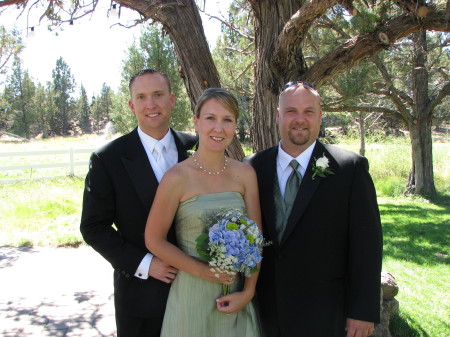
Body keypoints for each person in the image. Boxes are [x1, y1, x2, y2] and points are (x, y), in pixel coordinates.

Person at [244, 81, 383, 337]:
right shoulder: (253, 166)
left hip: (326, 310)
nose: (300, 119)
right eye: (291, 111)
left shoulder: (349, 168)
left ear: (320, 117)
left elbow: (367, 245)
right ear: (277, 116)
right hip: (265, 310)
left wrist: (362, 311)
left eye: (308, 111)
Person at [80, 69, 198, 337]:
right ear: (132, 105)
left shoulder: (198, 147)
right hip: (142, 294)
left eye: (158, 95)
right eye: (142, 97)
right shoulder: (108, 158)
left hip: (198, 291)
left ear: (172, 99)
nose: (151, 104)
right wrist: (145, 264)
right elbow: (93, 227)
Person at [145, 88, 263, 337]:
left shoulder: (245, 174)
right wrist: (204, 272)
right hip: (191, 294)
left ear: (234, 126)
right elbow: (153, 239)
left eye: (227, 120)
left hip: (235, 295)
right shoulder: (176, 177)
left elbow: (256, 238)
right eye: (210, 118)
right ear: (196, 122)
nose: (218, 128)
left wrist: (248, 291)